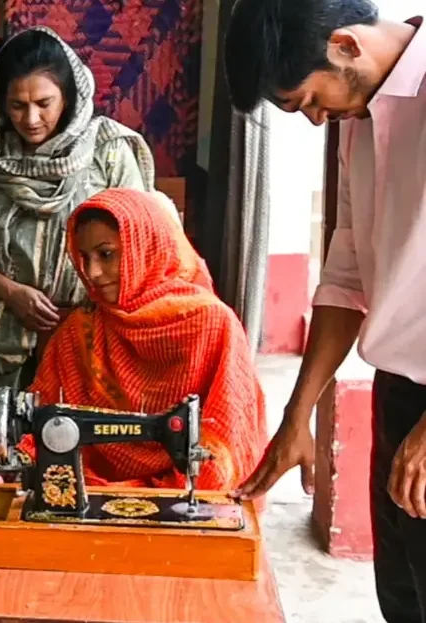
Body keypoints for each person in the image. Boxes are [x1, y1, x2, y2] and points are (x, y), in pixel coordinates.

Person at [224, 1, 426, 621]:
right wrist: (297, 415)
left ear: (344, 44)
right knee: (402, 595)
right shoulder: (360, 119)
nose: (316, 119)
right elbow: (346, 279)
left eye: (310, 101)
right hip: (400, 393)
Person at [0, 26, 159, 440]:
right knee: (3, 454)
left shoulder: (108, 153)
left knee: (75, 456)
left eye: (44, 103)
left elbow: (142, 247)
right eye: (17, 105)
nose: (31, 119)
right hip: (3, 344)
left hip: (90, 343)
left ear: (68, 97)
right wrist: (11, 292)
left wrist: (81, 314)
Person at [15, 188, 266, 490]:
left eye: (106, 254)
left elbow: (229, 434)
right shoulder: (79, 332)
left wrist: (170, 491)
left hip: (189, 489)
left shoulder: (212, 325)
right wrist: (12, 460)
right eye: (84, 258)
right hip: (92, 488)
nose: (92, 272)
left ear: (145, 246)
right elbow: (41, 420)